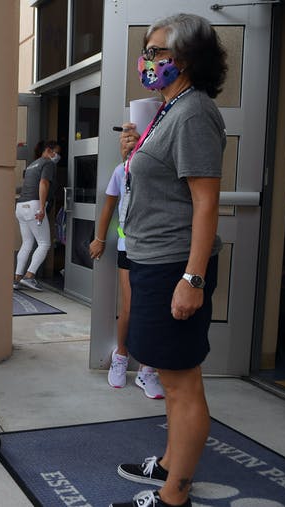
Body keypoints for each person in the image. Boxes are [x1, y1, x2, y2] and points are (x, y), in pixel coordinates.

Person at [109, 13, 227, 507]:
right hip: (152, 258)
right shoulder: (167, 108)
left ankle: (174, 494)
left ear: (186, 59)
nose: (148, 59)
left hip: (175, 262)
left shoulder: (194, 111)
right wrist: (132, 152)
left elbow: (205, 202)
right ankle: (169, 462)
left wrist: (192, 278)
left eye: (158, 52)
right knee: (169, 372)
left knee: (181, 383)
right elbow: (156, 180)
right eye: (148, 50)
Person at [90, 162, 164, 399]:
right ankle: (120, 356)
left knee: (153, 309)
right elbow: (109, 206)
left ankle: (147, 369)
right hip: (128, 247)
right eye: (125, 140)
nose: (129, 144)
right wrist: (99, 239)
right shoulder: (121, 171)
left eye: (134, 139)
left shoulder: (161, 167)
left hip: (158, 248)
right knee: (130, 306)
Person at [14, 141, 61, 291]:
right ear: (49, 151)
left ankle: (17, 278)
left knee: (27, 243)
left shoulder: (31, 165)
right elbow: (43, 183)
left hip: (21, 206)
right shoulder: (48, 163)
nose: (58, 156)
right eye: (57, 152)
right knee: (44, 243)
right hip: (34, 205)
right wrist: (41, 208)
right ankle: (29, 276)